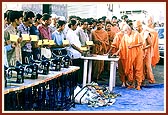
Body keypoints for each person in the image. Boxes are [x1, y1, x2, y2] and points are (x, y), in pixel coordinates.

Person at [113, 24, 144, 90]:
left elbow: (141, 43)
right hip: (129, 55)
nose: (125, 33)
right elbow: (121, 46)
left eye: (126, 31)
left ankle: (138, 84)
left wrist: (133, 46)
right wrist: (117, 53)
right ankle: (132, 84)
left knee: (138, 69)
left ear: (129, 29)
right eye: (124, 31)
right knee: (130, 69)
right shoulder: (125, 36)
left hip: (137, 54)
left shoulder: (136, 34)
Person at [66, 19, 83, 84]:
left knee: (78, 70)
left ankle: (77, 83)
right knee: (75, 71)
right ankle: (74, 84)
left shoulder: (73, 32)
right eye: (76, 25)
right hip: (74, 54)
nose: (77, 27)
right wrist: (80, 50)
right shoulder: (69, 33)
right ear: (72, 25)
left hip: (77, 54)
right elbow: (72, 44)